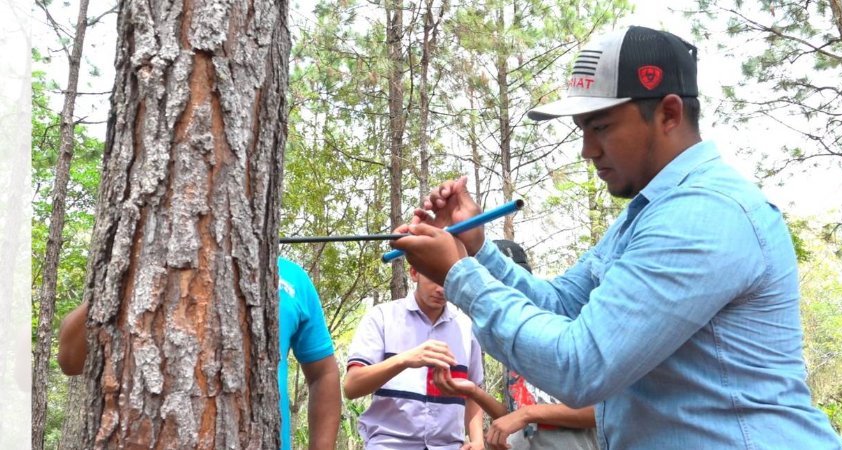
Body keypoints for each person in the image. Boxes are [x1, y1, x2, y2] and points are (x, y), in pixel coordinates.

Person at [390, 25, 842, 449]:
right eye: (582, 129)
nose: (587, 150)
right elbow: (562, 306)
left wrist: (459, 275)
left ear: (668, 113)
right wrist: (476, 249)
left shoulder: (705, 214)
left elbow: (580, 365)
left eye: (601, 126)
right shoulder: (648, 215)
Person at [56, 257, 341, 450]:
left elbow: (324, 373)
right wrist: (122, 274)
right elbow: (71, 361)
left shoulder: (290, 278)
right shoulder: (140, 261)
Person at [433, 240, 599, 450]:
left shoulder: (567, 327)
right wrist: (474, 392)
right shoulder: (510, 343)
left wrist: (527, 414)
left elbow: (600, 412)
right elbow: (516, 418)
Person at [343, 265, 485, 450]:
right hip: (389, 444)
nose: (441, 289)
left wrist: (477, 440)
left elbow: (473, 392)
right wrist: (405, 359)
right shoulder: (383, 317)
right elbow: (352, 386)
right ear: (414, 273)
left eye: (448, 281)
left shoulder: (466, 327)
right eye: (434, 278)